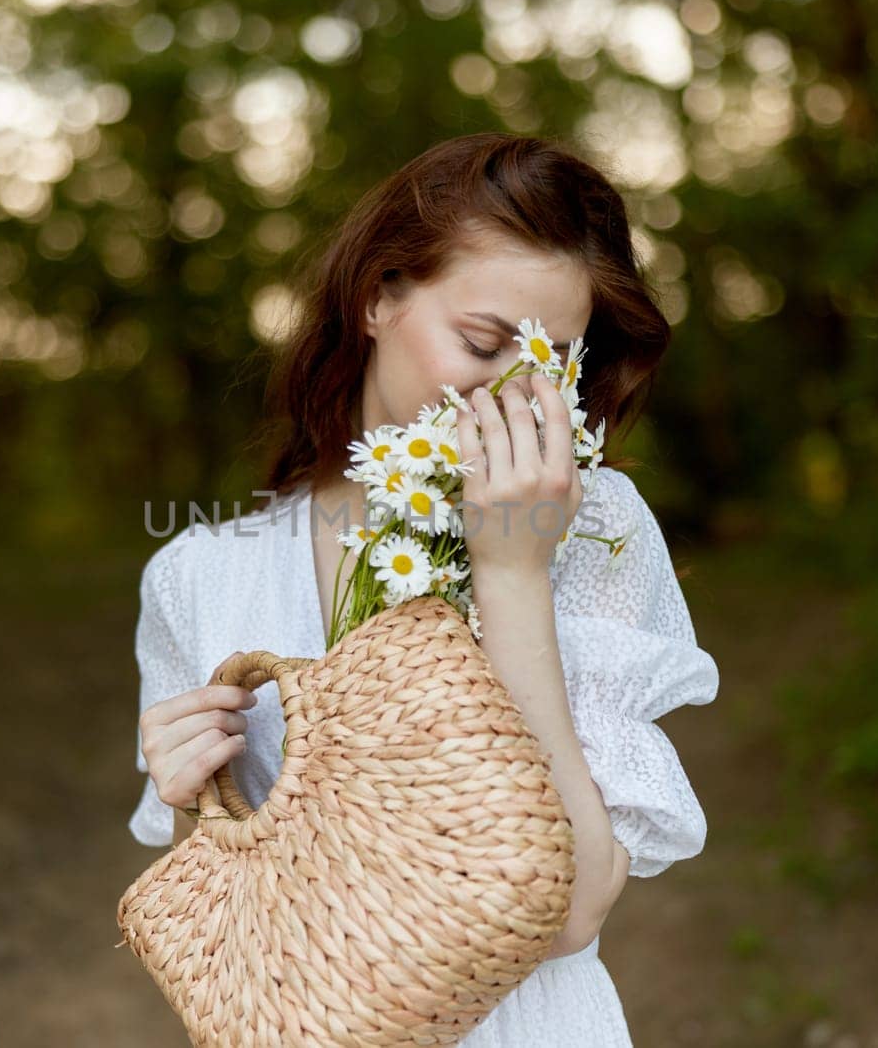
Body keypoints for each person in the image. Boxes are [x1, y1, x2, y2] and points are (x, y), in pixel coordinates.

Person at [128, 133, 720, 1047]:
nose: (516, 393)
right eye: (484, 342)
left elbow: (571, 913)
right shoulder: (200, 575)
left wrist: (514, 567)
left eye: (553, 360)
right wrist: (190, 799)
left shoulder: (592, 525)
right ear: (376, 297)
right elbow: (235, 939)